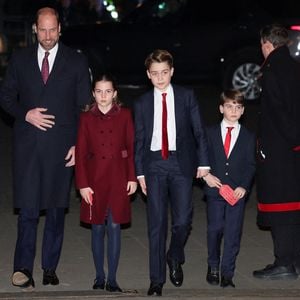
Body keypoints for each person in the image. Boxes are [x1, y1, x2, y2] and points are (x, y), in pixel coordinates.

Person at [0, 7, 91, 289]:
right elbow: (5, 97)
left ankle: (49, 267)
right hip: (28, 147)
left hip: (61, 149)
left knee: (55, 210)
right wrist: (25, 113)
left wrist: (79, 144)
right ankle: (22, 268)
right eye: (43, 30)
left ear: (60, 29)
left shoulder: (76, 61)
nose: (48, 36)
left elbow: (84, 109)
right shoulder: (20, 59)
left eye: (53, 30)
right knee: (28, 210)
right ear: (35, 30)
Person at [134, 49, 209, 296]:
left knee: (183, 221)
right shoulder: (142, 102)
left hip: (180, 163)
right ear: (148, 75)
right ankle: (157, 280)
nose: (160, 78)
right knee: (156, 224)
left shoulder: (186, 96)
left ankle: (174, 255)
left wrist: (204, 163)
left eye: (164, 72)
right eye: (155, 74)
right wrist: (140, 173)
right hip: (154, 164)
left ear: (172, 71)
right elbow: (140, 140)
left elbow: (199, 131)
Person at [75, 73, 137, 292]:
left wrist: (132, 177)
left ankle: (112, 278)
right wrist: (82, 184)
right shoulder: (86, 118)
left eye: (108, 91)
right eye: (99, 91)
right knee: (97, 228)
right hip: (94, 179)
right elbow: (81, 154)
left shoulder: (125, 115)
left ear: (115, 93)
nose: (103, 96)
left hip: (118, 177)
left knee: (114, 226)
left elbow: (131, 149)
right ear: (93, 94)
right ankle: (99, 276)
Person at [252, 24, 300, 280]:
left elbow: (279, 114)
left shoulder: (271, 71)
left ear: (267, 44)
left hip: (280, 149)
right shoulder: (294, 67)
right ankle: (296, 259)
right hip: (294, 150)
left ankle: (284, 262)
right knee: (295, 206)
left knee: (281, 207)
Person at [202, 89, 256, 288]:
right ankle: (213, 266)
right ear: (221, 108)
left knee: (233, 232)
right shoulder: (210, 132)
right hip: (215, 189)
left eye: (238, 107)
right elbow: (202, 157)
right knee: (215, 229)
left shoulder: (249, 136)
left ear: (242, 111)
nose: (233, 111)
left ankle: (227, 273)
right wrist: (205, 175)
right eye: (229, 106)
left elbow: (251, 164)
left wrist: (244, 185)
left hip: (236, 193)